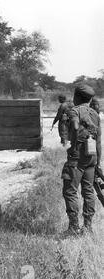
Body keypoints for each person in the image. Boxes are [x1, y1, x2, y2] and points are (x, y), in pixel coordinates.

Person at [61, 85, 100, 236]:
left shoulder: (74, 110)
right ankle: (88, 227)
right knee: (88, 190)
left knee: (70, 190)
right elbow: (99, 141)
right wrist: (98, 162)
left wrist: (74, 145)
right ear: (90, 99)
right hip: (92, 157)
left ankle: (73, 227)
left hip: (78, 157)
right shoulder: (95, 114)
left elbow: (76, 126)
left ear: (76, 96)